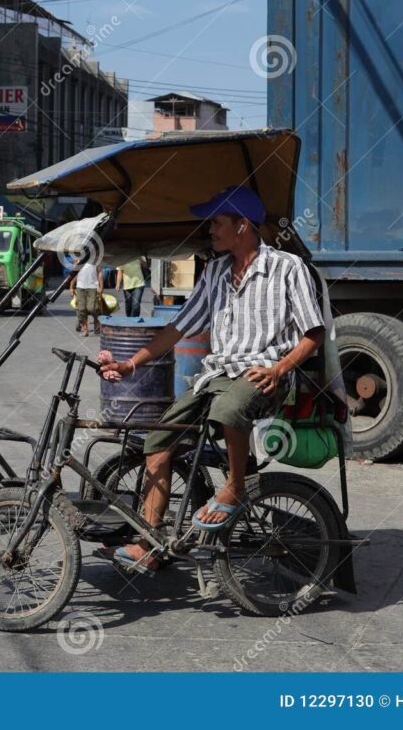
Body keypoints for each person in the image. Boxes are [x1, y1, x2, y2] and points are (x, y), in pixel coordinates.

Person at [97, 185, 325, 574]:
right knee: (157, 442)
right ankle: (150, 545)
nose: (211, 230)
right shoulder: (216, 271)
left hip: (265, 374)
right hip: (216, 376)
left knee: (229, 409)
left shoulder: (287, 268)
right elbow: (177, 328)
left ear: (243, 226)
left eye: (217, 223)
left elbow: (314, 333)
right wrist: (131, 364)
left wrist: (279, 369)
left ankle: (236, 486)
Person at [69, 256, 103, 336]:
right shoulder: (77, 259)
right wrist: (71, 286)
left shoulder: (95, 259)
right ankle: (85, 329)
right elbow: (74, 274)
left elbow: (99, 272)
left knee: (92, 308)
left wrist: (101, 287)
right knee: (81, 309)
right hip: (80, 287)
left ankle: (96, 321)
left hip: (92, 287)